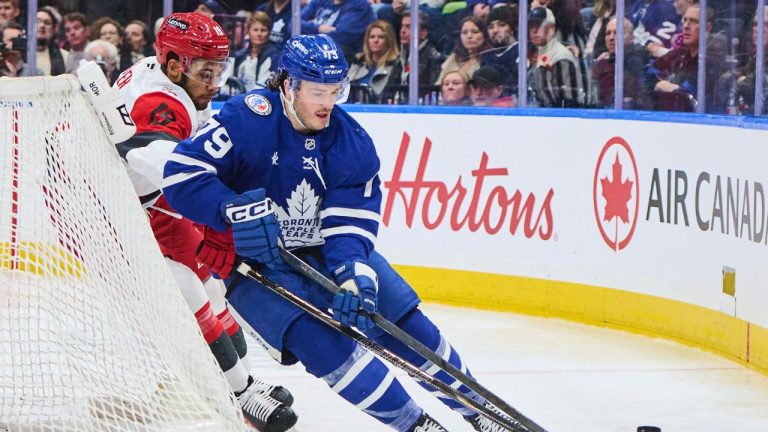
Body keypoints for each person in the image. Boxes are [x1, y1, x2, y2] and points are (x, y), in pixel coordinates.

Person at [163, 32, 516, 432]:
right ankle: (417, 426)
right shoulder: (249, 118)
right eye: (317, 91)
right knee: (322, 344)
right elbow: (181, 173)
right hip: (253, 261)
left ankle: (481, 413)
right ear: (289, 85)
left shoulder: (350, 140)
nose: (328, 103)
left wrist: (353, 274)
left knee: (404, 321)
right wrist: (230, 209)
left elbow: (349, 222)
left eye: (336, 90)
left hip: (323, 249)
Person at [110, 13, 297, 432]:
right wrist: (226, 205)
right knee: (188, 290)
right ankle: (242, 397)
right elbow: (164, 161)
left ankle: (244, 382)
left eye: (219, 70)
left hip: (145, 197)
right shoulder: (159, 101)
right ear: (175, 65)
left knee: (212, 286)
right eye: (205, 71)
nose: (214, 82)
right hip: (110, 208)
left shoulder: (167, 77)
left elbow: (196, 142)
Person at [651, 3, 726, 111]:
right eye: (685, 20)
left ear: (708, 27)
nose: (686, 26)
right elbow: (654, 69)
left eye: (694, 21)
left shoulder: (712, 55)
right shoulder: (684, 51)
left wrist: (673, 88)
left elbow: (693, 95)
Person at [527, 6, 585, 107]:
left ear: (552, 29)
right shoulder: (531, 55)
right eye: (531, 26)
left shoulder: (561, 56)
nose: (534, 30)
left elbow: (565, 102)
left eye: (540, 25)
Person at [592, 16, 651, 109]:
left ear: (631, 38)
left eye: (617, 33)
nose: (611, 38)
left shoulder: (639, 63)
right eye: (608, 33)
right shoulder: (601, 65)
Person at [348, 20, 403, 103]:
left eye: (381, 37)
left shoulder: (396, 65)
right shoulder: (358, 62)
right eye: (372, 37)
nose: (375, 40)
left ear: (389, 40)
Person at [397, 11, 446, 103]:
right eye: (402, 26)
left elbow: (433, 94)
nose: (403, 31)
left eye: (409, 27)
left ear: (423, 33)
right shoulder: (400, 58)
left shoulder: (434, 59)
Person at [300, 0, 376, 59]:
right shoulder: (320, 1)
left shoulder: (359, 5)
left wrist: (307, 29)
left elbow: (342, 36)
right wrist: (319, 28)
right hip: (315, 47)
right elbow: (294, 23)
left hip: (343, 54)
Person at [436, 16, 491, 84]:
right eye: (464, 33)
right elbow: (438, 85)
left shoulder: (489, 60)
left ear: (484, 35)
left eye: (475, 32)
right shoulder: (454, 58)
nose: (469, 36)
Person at [234, 12, 280, 91]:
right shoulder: (241, 55)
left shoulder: (273, 57)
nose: (259, 34)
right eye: (255, 30)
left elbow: (261, 90)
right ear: (248, 32)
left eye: (263, 30)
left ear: (269, 33)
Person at [481, 5, 519, 95]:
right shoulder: (487, 57)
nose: (495, 30)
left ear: (512, 28)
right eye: (490, 27)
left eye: (501, 25)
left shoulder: (521, 51)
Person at [36, 7, 68, 76]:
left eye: (47, 23)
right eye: (37, 21)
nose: (42, 25)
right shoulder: (18, 54)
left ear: (54, 29)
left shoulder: (65, 56)